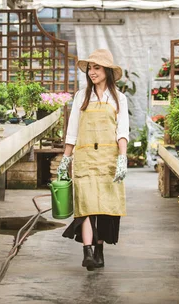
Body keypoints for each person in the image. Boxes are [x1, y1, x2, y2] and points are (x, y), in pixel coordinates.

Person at [56, 48, 129, 271]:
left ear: (107, 70)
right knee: (85, 206)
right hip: (85, 158)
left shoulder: (119, 99)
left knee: (103, 208)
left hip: (108, 159)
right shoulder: (81, 96)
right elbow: (72, 130)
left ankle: (99, 251)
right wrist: (66, 158)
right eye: (90, 68)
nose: (92, 72)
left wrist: (122, 158)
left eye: (96, 68)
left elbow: (122, 131)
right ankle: (87, 252)